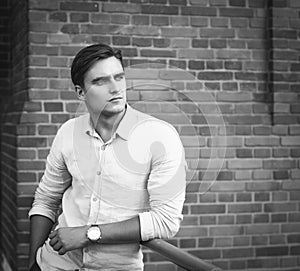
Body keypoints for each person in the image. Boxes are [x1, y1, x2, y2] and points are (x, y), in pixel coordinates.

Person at [28, 43, 187, 271]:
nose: (115, 88)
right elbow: (46, 199)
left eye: (119, 77)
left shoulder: (160, 137)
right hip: (53, 264)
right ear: (80, 92)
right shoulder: (68, 132)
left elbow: (166, 221)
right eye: (100, 81)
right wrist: (33, 261)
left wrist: (89, 234)